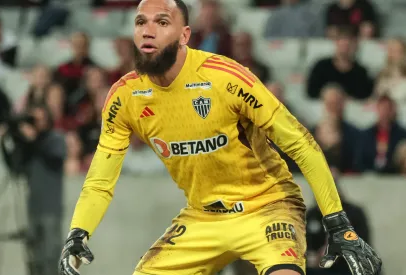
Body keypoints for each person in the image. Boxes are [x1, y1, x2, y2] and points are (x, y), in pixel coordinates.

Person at [59, 1, 382, 275]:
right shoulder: (124, 96)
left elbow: (301, 143)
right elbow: (100, 179)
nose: (148, 30)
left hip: (268, 206)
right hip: (203, 215)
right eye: (141, 21)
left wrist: (337, 221)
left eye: (162, 22)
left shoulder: (226, 77)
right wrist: (79, 231)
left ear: (185, 35)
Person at [18, 104, 66, 275]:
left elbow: (53, 158)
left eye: (38, 119)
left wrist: (32, 139)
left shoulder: (56, 139)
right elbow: (15, 167)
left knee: (51, 255)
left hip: (50, 208)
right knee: (34, 256)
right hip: (34, 208)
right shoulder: (30, 145)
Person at [306, 170, 371, 275]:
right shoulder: (312, 214)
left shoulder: (354, 213)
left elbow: (363, 245)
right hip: (319, 267)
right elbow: (307, 243)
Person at [307, 27, 373, 100]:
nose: (345, 48)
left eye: (348, 44)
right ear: (336, 43)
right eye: (342, 44)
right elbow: (311, 92)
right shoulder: (321, 67)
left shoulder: (361, 72)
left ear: (355, 46)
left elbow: (365, 97)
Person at [355, 95, 406, 174]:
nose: (385, 113)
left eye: (388, 109)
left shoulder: (402, 134)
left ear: (393, 111)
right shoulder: (366, 134)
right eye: (383, 109)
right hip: (369, 177)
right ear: (377, 109)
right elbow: (360, 159)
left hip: (393, 177)